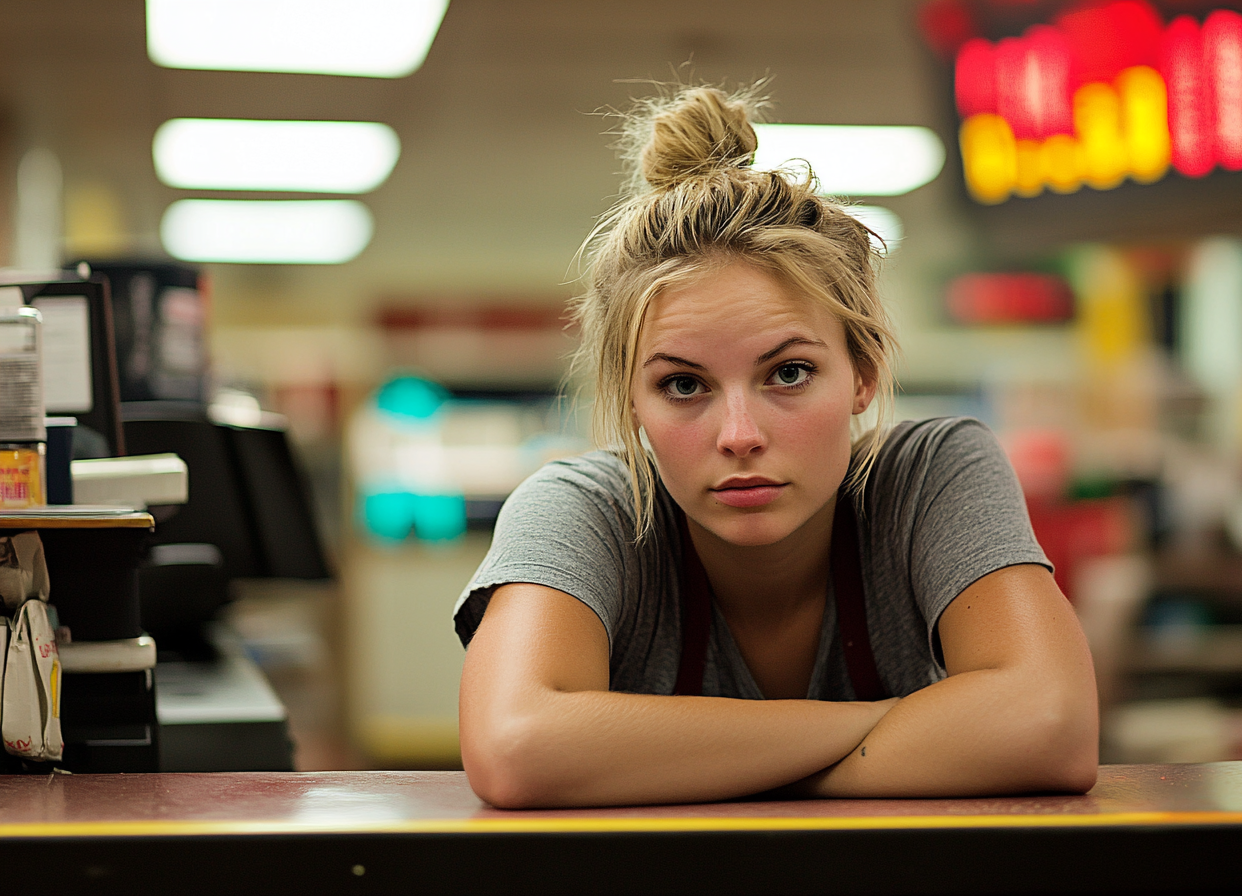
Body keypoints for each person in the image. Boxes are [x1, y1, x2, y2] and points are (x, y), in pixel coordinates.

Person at [455, 85, 1098, 809]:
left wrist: (684, 759)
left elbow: (1048, 721)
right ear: (632, 402)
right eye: (683, 386)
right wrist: (906, 728)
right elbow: (516, 747)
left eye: (788, 373)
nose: (739, 436)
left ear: (862, 374)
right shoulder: (586, 508)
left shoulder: (930, 474)